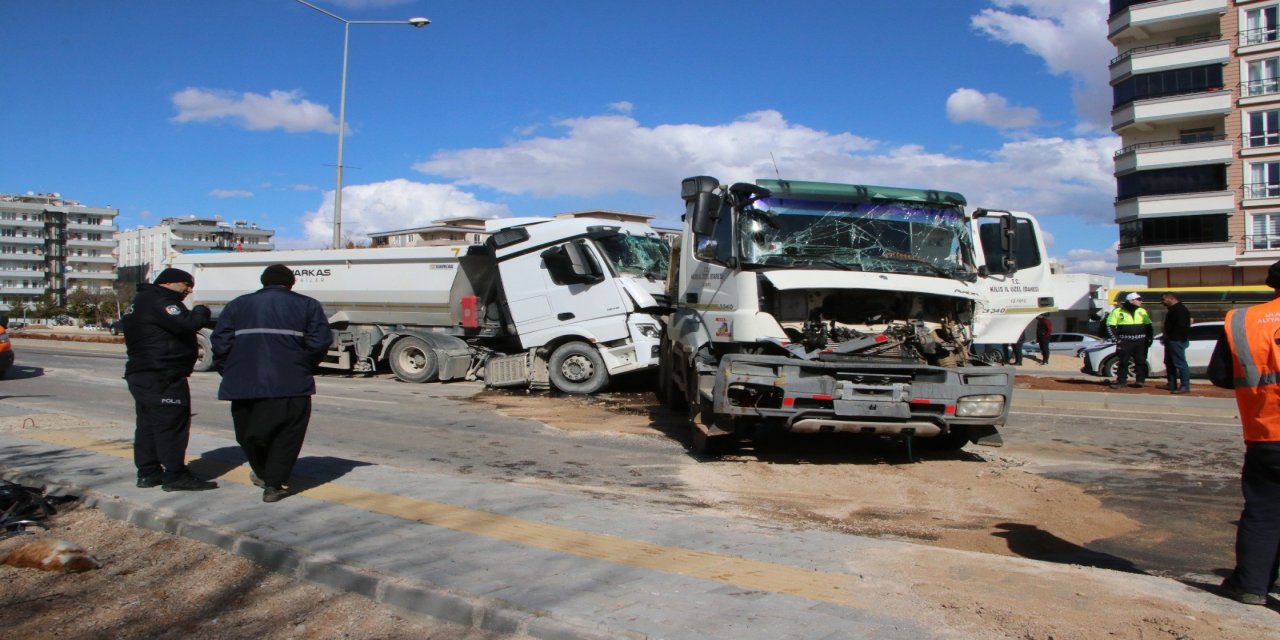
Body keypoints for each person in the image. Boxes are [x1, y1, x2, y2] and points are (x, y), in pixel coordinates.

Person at [211, 264, 333, 503]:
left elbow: (220, 342)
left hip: (244, 384)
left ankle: (264, 473)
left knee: (250, 434)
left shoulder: (237, 304)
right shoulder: (308, 305)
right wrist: (302, 366)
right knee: (286, 435)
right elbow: (320, 342)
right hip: (290, 384)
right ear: (291, 283)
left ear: (263, 281)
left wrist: (230, 370)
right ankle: (274, 484)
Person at [1207, 259, 1280, 606]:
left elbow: (1220, 375)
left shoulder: (1242, 321)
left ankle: (1251, 587)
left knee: (1264, 513)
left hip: (1267, 434)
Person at [121, 268, 216, 491]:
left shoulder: (140, 301)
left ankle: (148, 472)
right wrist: (201, 310)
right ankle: (175, 475)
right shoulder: (161, 301)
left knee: (148, 425)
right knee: (171, 424)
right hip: (163, 374)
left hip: (144, 372)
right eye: (186, 284)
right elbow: (188, 324)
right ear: (169, 282)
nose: (189, 290)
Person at [1106, 292, 1153, 389]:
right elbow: (1110, 325)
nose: (1141, 301)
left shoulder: (1142, 311)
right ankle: (1121, 381)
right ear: (1131, 300)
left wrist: (1150, 338)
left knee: (1141, 361)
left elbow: (1148, 326)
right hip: (1125, 340)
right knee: (1123, 361)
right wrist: (1116, 339)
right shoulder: (1117, 311)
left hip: (1140, 341)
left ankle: (1140, 381)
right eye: (1139, 299)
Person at [1159, 292, 1192, 394]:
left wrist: (1173, 337)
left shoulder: (1180, 310)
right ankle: (1171, 383)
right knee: (1169, 362)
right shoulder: (1173, 310)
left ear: (1170, 298)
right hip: (1171, 340)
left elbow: (1181, 327)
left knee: (1180, 363)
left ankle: (1185, 386)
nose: (1163, 303)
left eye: (1163, 300)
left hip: (1176, 340)